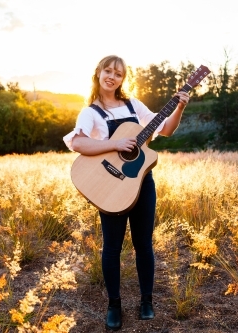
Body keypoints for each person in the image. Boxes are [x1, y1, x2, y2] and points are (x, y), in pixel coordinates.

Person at [63, 55, 189, 331]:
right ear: (98, 73)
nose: (112, 77)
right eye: (108, 71)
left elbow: (165, 129)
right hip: (110, 185)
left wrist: (178, 107)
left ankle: (146, 301)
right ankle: (114, 305)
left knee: (144, 243)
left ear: (123, 79)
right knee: (112, 247)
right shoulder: (91, 112)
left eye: (118, 74)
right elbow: (79, 142)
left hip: (142, 182)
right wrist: (116, 142)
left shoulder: (134, 105)